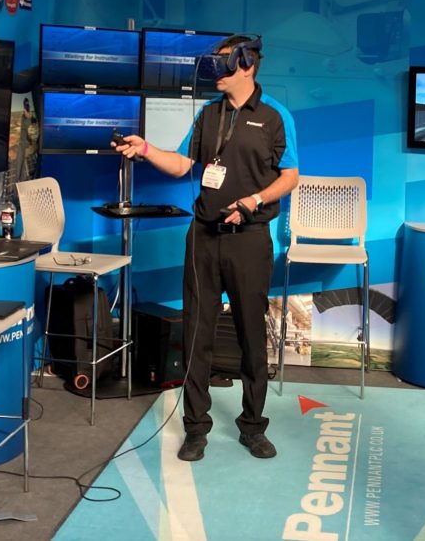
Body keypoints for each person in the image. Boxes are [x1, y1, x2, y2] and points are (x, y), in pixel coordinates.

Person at [113, 35, 299, 462]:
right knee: (197, 334)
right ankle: (196, 427)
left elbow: (290, 177)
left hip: (250, 240)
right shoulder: (207, 114)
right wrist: (144, 148)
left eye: (223, 64)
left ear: (247, 64)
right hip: (203, 237)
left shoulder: (275, 116)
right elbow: (183, 164)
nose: (215, 72)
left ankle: (253, 426)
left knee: (252, 336)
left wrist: (253, 201)